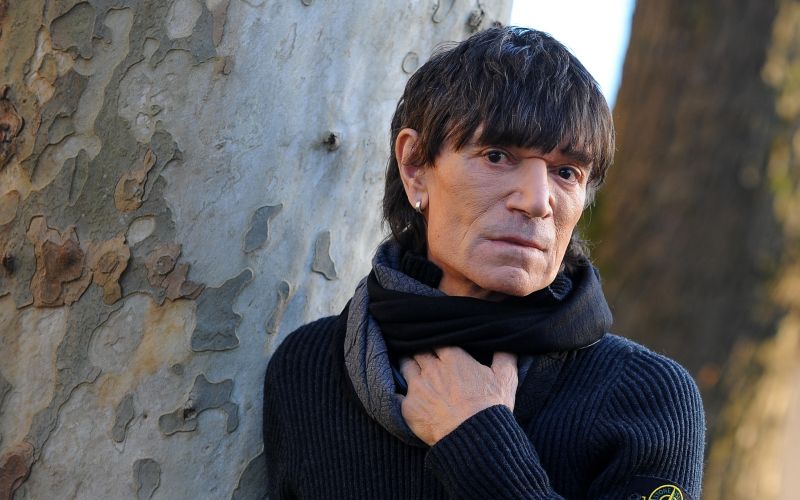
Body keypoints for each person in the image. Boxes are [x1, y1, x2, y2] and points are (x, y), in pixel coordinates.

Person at [263, 27, 705, 499]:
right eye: (497, 156)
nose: (537, 201)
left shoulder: (647, 397)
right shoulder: (309, 367)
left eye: (566, 172)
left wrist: (478, 439)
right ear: (415, 165)